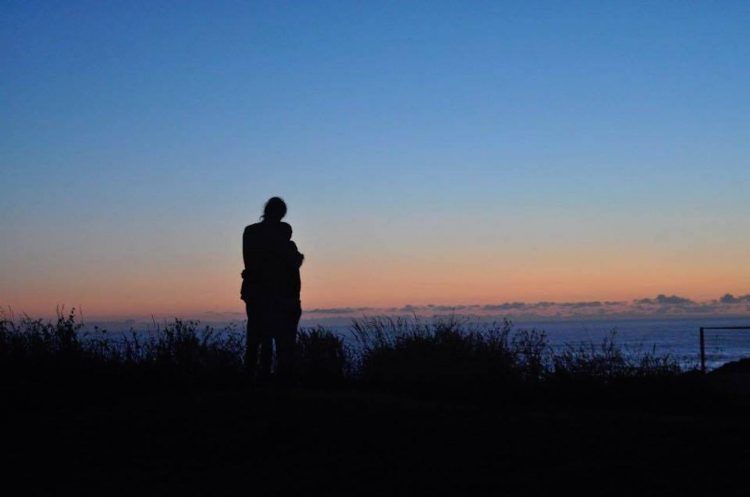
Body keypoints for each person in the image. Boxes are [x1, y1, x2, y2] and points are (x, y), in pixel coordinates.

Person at [241, 197, 303, 382]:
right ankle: (271, 382)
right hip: (277, 296)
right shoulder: (281, 236)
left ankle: (252, 379)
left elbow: (249, 262)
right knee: (279, 342)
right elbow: (295, 261)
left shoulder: (250, 232)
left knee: (256, 339)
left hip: (256, 293)